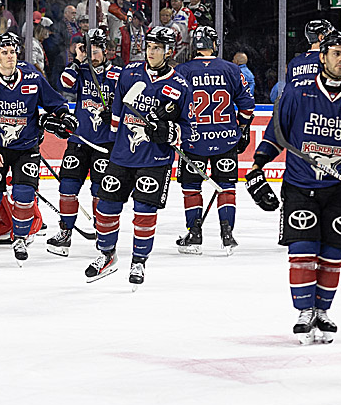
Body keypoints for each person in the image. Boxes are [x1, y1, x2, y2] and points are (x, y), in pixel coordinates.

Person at [247, 31, 341, 344]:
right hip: (300, 185)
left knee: (333, 254)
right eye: (336, 53)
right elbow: (277, 134)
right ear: (323, 56)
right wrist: (257, 168)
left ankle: (323, 310)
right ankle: (305, 311)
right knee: (302, 249)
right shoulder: (297, 91)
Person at [86, 27, 194, 287]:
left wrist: (169, 130)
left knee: (144, 210)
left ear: (169, 51)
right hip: (122, 156)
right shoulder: (129, 73)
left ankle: (139, 261)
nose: (152, 51)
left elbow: (188, 129)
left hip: (155, 160)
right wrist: (112, 143)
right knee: (107, 206)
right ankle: (107, 255)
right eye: (149, 46)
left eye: (158, 47)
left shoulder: (179, 86)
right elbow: (116, 112)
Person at [0, 32, 76, 265]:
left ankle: (20, 238)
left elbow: (55, 102)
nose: (10, 56)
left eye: (13, 52)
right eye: (5, 53)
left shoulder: (32, 79)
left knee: (24, 195)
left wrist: (64, 116)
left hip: (26, 148)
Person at [174, 26, 255, 255]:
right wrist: (241, 127)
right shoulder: (231, 69)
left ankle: (195, 235)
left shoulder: (182, 71)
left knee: (191, 188)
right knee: (226, 186)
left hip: (193, 140)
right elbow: (248, 107)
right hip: (226, 139)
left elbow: (172, 106)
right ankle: (227, 234)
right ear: (214, 44)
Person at [49, 29, 121, 257]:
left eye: (98, 49)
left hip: (105, 144)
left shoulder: (117, 75)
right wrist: (78, 61)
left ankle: (102, 234)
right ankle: (65, 233)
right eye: (90, 49)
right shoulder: (80, 71)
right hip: (79, 140)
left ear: (107, 50)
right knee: (67, 188)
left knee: (100, 192)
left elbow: (130, 102)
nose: (95, 53)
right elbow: (65, 84)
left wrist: (115, 113)